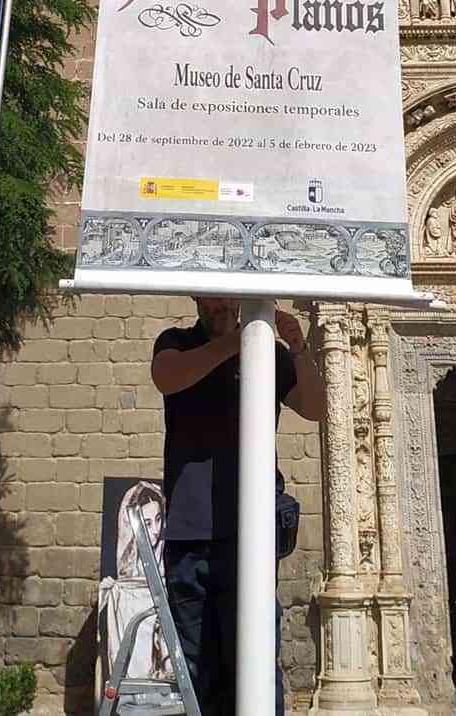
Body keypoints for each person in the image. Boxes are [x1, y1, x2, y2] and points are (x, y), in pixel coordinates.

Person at [151, 296, 327, 716]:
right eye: (213, 294)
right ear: (197, 296)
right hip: (190, 535)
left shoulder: (271, 352)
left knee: (256, 663)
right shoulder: (176, 341)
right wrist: (238, 342)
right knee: (197, 669)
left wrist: (298, 348)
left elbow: (315, 407)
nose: (222, 303)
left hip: (252, 535)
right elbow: (166, 377)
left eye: (230, 295)